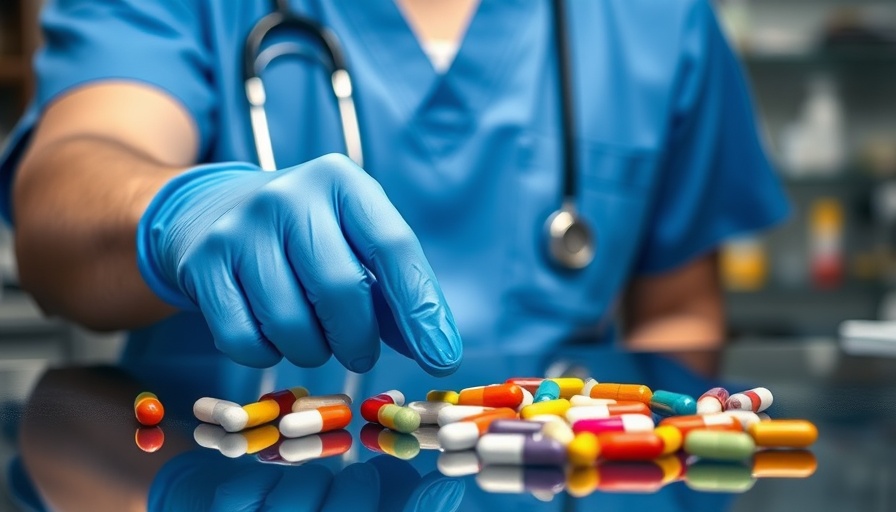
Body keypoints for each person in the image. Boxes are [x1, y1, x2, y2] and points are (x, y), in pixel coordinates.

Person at [0, 0, 788, 401]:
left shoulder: (660, 20)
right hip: (234, 474)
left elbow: (679, 317)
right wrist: (179, 211)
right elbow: (62, 192)